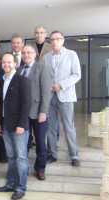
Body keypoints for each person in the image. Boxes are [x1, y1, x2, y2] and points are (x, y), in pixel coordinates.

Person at [43, 30, 81, 166]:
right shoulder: (46, 57)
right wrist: (48, 86)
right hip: (50, 96)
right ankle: (52, 154)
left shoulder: (71, 55)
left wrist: (61, 85)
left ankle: (74, 156)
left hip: (66, 95)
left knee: (68, 126)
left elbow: (76, 75)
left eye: (57, 39)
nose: (54, 42)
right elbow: (45, 76)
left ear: (63, 40)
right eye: (52, 39)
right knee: (51, 127)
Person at [0, 52, 30, 200]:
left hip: (19, 126)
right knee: (11, 156)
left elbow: (26, 104)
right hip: (5, 125)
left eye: (9, 62)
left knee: (21, 157)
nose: (6, 65)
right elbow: (0, 105)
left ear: (15, 63)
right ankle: (10, 183)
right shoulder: (1, 81)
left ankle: (20, 187)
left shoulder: (22, 80)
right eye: (4, 62)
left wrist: (21, 124)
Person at [17, 44, 51, 180]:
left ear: (34, 54)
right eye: (23, 53)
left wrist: (43, 112)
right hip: (23, 114)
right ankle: (23, 168)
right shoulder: (19, 70)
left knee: (41, 142)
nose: (26, 55)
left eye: (29, 53)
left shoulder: (42, 68)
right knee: (23, 143)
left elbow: (46, 93)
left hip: (38, 113)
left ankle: (40, 168)